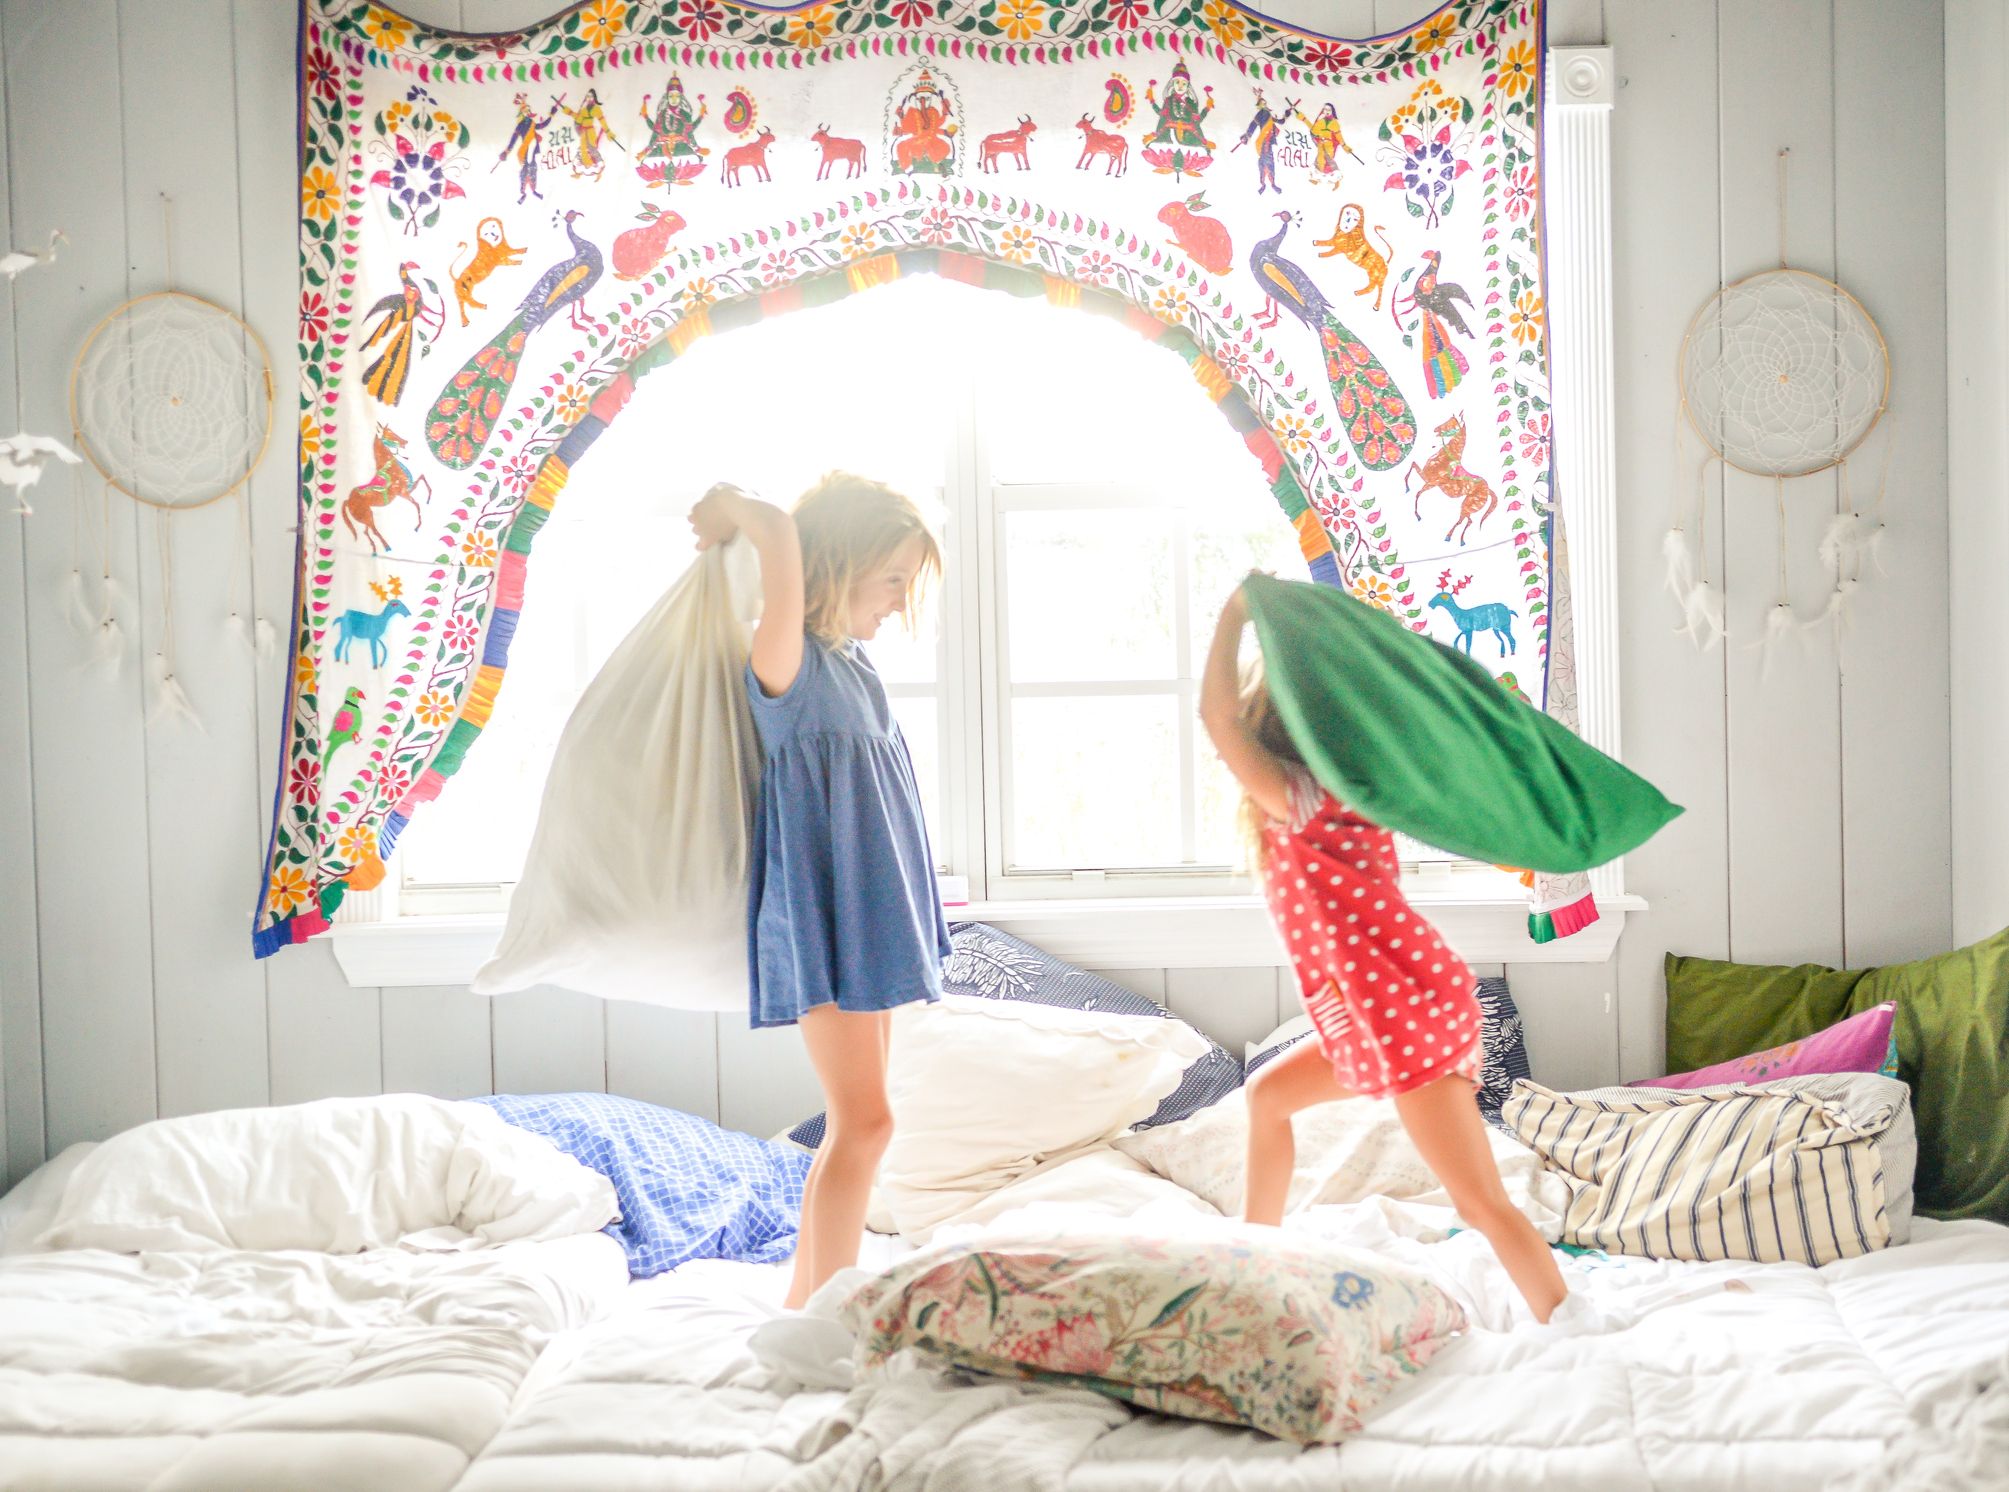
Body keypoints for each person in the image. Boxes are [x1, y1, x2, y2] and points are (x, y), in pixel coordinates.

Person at [1198, 577, 1568, 1324]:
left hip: (1404, 1016)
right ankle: (1256, 1253)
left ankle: (1569, 1320)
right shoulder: (1344, 791)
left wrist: (1236, 612)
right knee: (1268, 1098)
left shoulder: (1305, 800)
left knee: (1480, 1201)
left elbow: (1214, 717)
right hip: (1387, 1007)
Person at [688, 474, 949, 1311]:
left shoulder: (850, 667)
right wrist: (744, 511)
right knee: (865, 1123)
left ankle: (806, 1302)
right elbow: (777, 536)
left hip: (866, 924)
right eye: (892, 581)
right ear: (839, 565)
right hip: (824, 925)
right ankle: (823, 1312)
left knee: (861, 1124)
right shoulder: (787, 663)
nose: (900, 603)